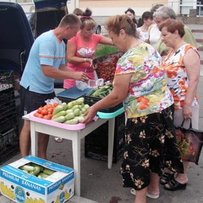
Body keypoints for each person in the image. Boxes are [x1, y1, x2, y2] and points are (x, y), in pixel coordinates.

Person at [83, 15, 183, 203]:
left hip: (143, 115)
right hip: (164, 107)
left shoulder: (128, 59)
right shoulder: (148, 47)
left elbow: (117, 95)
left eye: (112, 38)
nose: (112, 43)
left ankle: (140, 199)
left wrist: (94, 107)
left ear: (122, 32)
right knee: (156, 150)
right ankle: (153, 189)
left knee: (139, 157)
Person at [19, 14, 88, 159]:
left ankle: (42, 157)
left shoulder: (61, 43)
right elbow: (48, 70)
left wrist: (78, 74)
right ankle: (24, 159)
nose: (75, 36)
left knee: (46, 124)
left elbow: (62, 66)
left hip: (47, 89)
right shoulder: (47, 40)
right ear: (68, 28)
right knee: (29, 123)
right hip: (33, 88)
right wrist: (73, 76)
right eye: (74, 32)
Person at [159, 19, 200, 191]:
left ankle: (182, 177)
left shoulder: (189, 51)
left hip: (183, 104)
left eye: (165, 34)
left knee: (185, 141)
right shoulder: (171, 52)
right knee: (174, 139)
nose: (162, 38)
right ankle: (172, 169)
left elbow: (194, 79)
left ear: (176, 32)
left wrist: (188, 105)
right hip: (171, 104)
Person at [63, 8, 113, 89]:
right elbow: (70, 58)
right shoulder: (73, 38)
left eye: (93, 29)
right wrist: (86, 60)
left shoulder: (96, 37)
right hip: (74, 76)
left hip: (89, 75)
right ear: (81, 28)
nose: (91, 32)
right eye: (88, 29)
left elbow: (113, 42)